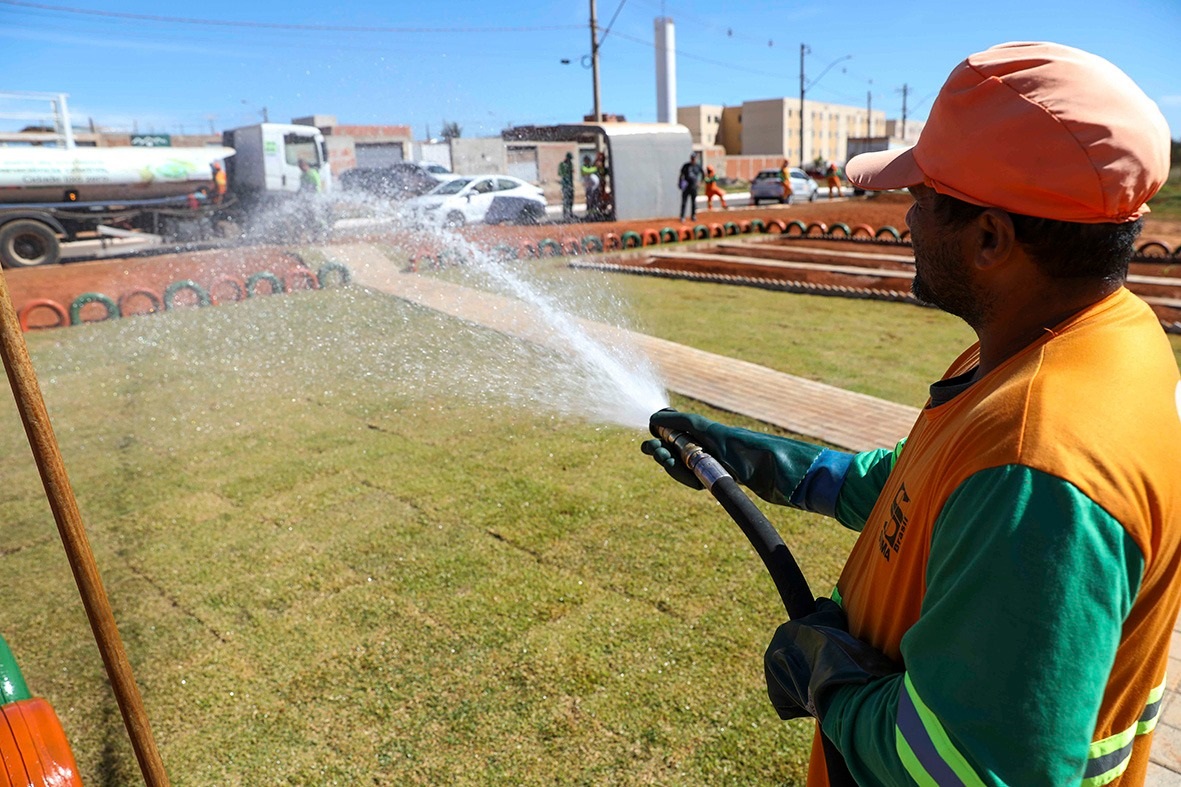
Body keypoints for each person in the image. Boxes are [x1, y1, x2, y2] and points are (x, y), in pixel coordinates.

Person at [642, 42, 1178, 786]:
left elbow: (973, 767)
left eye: (922, 196)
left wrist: (832, 682)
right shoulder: (1080, 338)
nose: (905, 219)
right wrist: (771, 464)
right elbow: (923, 486)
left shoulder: (1039, 467)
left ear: (990, 237)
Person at [678, 152, 704, 222]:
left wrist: (700, 182)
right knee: (684, 202)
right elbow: (681, 175)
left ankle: (693, 215)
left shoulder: (698, 166)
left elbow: (703, 174)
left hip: (694, 186)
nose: (693, 160)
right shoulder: (686, 166)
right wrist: (680, 183)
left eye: (694, 158)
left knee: (693, 202)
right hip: (686, 186)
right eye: (692, 158)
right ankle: (682, 216)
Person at [580, 155, 600, 219]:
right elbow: (588, 171)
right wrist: (596, 167)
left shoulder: (591, 167)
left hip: (594, 188)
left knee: (594, 201)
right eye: (587, 160)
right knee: (589, 201)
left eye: (589, 160)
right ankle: (589, 215)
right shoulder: (583, 168)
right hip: (589, 188)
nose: (588, 162)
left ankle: (595, 214)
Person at [558, 152, 575, 221]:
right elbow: (560, 173)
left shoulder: (570, 164)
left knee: (571, 199)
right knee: (566, 199)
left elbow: (572, 173)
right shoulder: (562, 164)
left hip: (570, 184)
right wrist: (566, 170)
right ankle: (565, 214)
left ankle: (570, 212)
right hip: (565, 185)